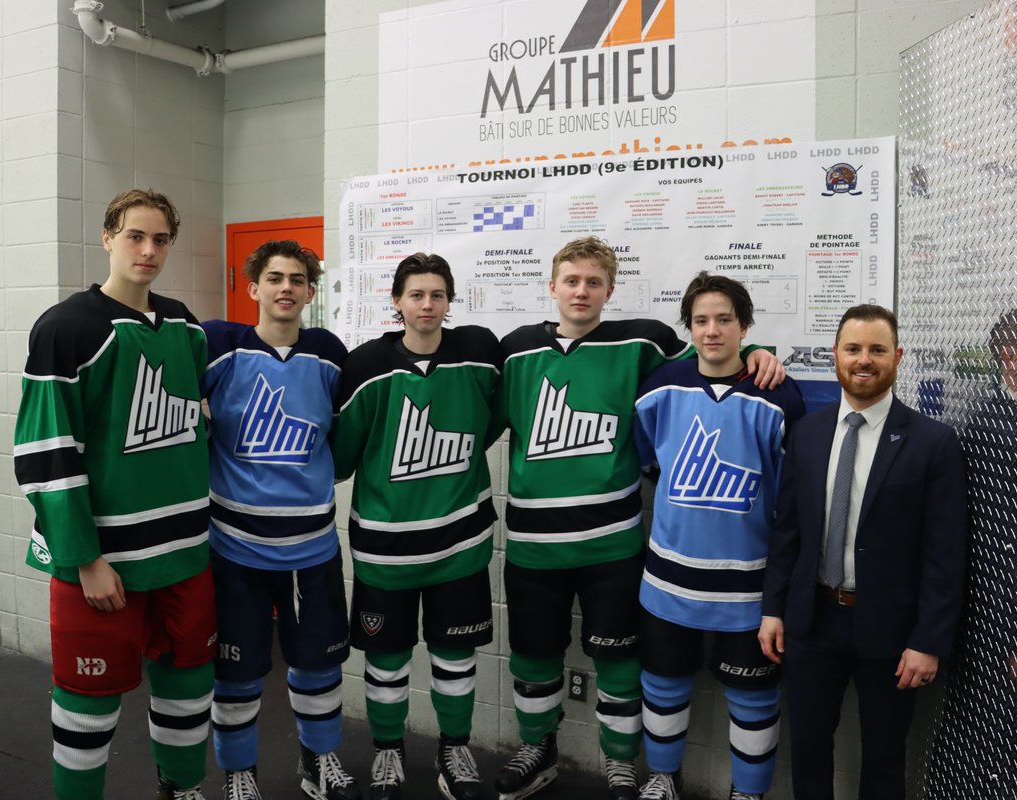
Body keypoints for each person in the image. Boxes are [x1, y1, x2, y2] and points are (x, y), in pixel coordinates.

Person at [493, 237, 785, 800]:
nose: (581, 291)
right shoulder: (516, 350)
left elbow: (714, 352)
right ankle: (539, 748)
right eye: (571, 281)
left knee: (619, 657)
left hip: (613, 545)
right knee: (532, 654)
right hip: (532, 545)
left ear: (610, 289)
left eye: (593, 282)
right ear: (552, 286)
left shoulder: (643, 341)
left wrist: (763, 352)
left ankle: (620, 762)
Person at [14, 189, 214, 800]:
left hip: (184, 554)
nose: (148, 250)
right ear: (107, 237)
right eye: (135, 236)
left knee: (189, 693)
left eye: (160, 239)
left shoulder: (184, 324)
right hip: (102, 566)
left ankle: (180, 789)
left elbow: (196, 426)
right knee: (86, 706)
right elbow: (46, 455)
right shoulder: (66, 327)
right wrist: (85, 558)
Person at [759, 304, 968, 800]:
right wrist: (773, 609)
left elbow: (946, 553)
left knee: (883, 760)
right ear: (836, 355)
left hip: (893, 635)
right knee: (807, 752)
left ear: (897, 357)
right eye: (853, 349)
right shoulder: (807, 432)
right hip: (811, 623)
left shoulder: (933, 443)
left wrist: (929, 641)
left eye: (877, 350)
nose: (864, 360)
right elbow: (787, 531)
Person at [332, 252, 502, 800]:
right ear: (397, 301)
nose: (427, 305)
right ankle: (388, 754)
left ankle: (455, 749)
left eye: (437, 295)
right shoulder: (365, 367)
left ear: (450, 300)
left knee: (456, 656)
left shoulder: (478, 354)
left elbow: (493, 423)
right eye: (416, 294)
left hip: (461, 545)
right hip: (386, 549)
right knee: (386, 658)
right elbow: (341, 459)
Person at [633, 273, 805, 800]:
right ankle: (664, 778)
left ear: (745, 327)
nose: (712, 331)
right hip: (668, 580)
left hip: (748, 588)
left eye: (724, 320)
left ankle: (747, 793)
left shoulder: (779, 397)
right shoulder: (660, 387)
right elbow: (647, 460)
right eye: (702, 320)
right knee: (662, 685)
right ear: (689, 327)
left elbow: (789, 493)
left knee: (753, 698)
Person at [201, 241, 358, 800]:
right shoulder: (220, 348)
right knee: (237, 678)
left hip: (311, 549)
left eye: (297, 279)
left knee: (318, 669)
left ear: (311, 292)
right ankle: (239, 772)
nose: (286, 287)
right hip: (234, 549)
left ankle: (319, 762)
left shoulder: (329, 355)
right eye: (274, 278)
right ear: (253, 288)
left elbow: (348, 434)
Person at [926, 296, 1017, 798]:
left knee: (1015, 756)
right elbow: (996, 552)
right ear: (1011, 358)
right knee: (985, 757)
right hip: (1006, 642)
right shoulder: (998, 431)